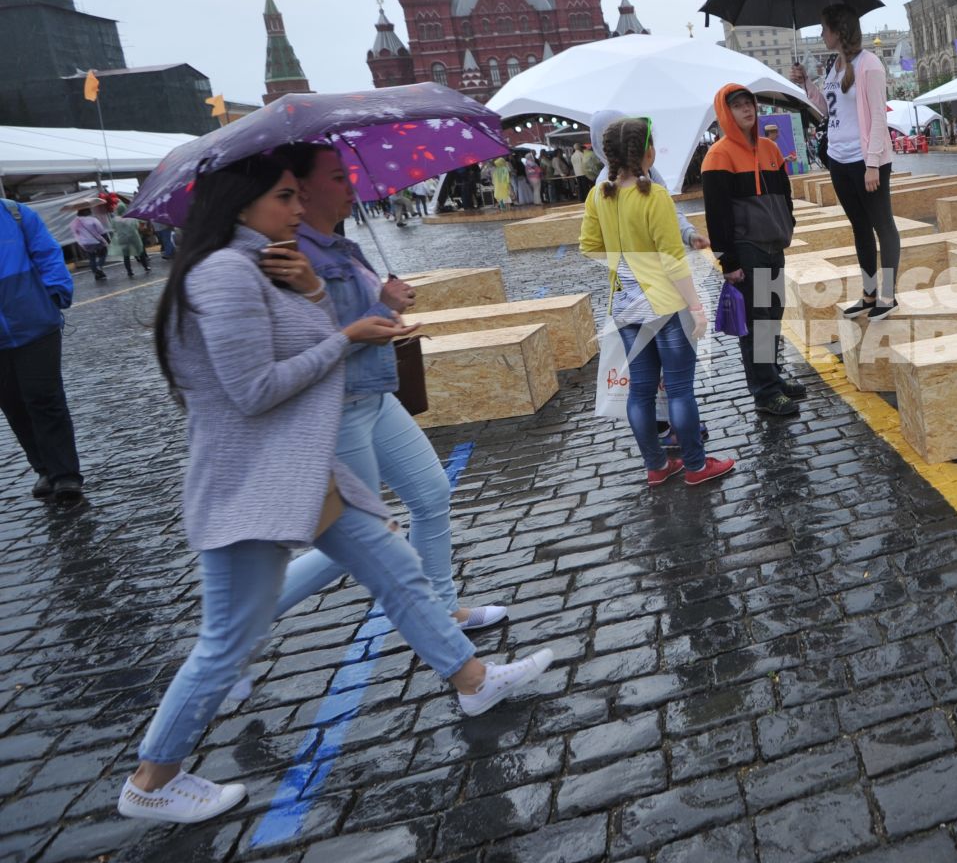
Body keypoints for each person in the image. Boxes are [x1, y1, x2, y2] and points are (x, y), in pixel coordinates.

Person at [121, 152, 553, 825]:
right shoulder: (225, 274)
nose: (297, 209)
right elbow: (254, 389)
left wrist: (320, 300)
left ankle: (473, 680)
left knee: (398, 569)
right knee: (226, 643)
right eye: (285, 196)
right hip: (255, 481)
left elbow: (308, 349)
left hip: (306, 466)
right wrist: (344, 328)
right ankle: (152, 780)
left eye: (300, 195)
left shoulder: (264, 264)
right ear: (242, 202)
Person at [240, 143, 511, 692]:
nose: (351, 186)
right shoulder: (289, 256)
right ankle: (239, 629)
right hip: (336, 409)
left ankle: (445, 609)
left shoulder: (343, 243)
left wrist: (390, 305)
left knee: (431, 495)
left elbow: (360, 325)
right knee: (357, 541)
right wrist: (377, 311)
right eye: (337, 177)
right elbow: (311, 341)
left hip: (375, 395)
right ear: (304, 190)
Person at [581, 117, 733, 486]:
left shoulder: (599, 194)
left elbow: (589, 246)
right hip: (664, 305)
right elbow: (671, 259)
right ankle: (696, 466)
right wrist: (696, 308)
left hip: (624, 304)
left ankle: (656, 466)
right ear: (644, 151)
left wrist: (625, 261)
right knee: (680, 389)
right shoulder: (654, 195)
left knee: (641, 391)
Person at [703, 85, 804, 418]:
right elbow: (717, 214)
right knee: (758, 320)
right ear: (725, 112)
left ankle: (771, 377)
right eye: (738, 106)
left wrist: (786, 223)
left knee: (773, 314)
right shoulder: (718, 156)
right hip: (748, 248)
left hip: (774, 244)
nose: (747, 110)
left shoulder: (770, 148)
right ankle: (764, 392)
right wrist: (728, 260)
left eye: (750, 104)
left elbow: (784, 194)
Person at [806, 3, 898, 320]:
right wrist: (807, 85)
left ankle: (888, 296)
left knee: (882, 225)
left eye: (824, 28)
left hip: (866, 159)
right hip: (839, 158)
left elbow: (877, 117)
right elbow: (828, 110)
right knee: (859, 228)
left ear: (838, 30)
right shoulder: (835, 65)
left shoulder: (869, 64)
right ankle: (869, 295)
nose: (821, 34)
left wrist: (873, 162)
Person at [0, 194, 84, 508]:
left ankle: (65, 474)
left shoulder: (16, 214)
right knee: (12, 403)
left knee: (43, 397)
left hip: (35, 324)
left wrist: (56, 292)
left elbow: (47, 253)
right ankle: (44, 469)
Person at [71, 204, 109, 282]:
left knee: (92, 258)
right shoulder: (93, 220)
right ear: (87, 211)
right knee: (103, 254)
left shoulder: (74, 222)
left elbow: (75, 233)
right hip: (96, 241)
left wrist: (80, 242)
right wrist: (105, 239)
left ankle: (97, 274)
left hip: (85, 243)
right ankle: (99, 267)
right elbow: (101, 230)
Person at [109, 210, 151, 277]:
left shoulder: (115, 219)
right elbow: (137, 227)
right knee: (140, 252)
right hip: (134, 237)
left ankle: (129, 271)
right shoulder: (131, 218)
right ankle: (145, 266)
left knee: (126, 256)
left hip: (122, 238)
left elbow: (114, 229)